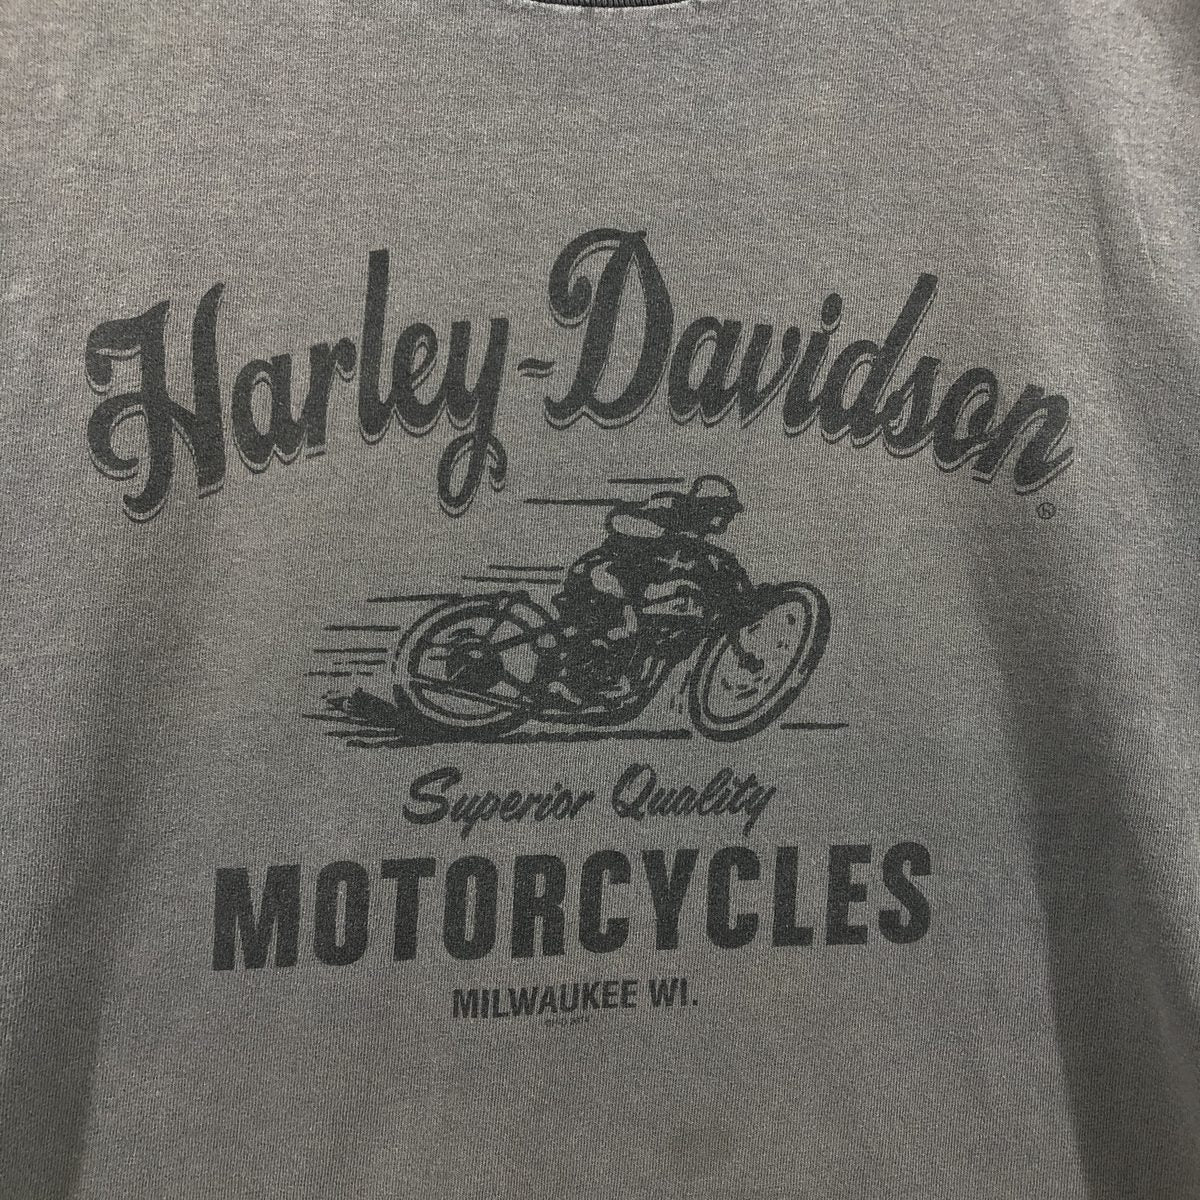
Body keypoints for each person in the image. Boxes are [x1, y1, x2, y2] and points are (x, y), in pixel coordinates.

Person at [545, 476, 753, 709]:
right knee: (628, 623)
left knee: (651, 626)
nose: (726, 518)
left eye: (728, 512)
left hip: (634, 588)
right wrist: (663, 533)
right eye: (723, 510)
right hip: (603, 571)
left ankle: (619, 678)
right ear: (706, 506)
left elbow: (725, 575)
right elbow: (618, 519)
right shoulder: (670, 507)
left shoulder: (703, 549)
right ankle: (567, 680)